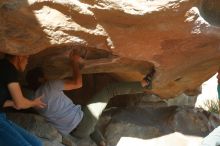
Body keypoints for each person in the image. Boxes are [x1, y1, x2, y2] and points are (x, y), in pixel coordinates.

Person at [26, 52, 155, 146]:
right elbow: (77, 83)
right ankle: (144, 84)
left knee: (87, 115)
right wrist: (74, 63)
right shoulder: (49, 86)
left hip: (76, 133)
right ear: (40, 79)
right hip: (82, 123)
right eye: (45, 76)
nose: (47, 77)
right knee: (109, 91)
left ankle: (101, 143)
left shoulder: (33, 102)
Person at [0, 54, 46, 146]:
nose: (27, 62)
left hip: (2, 116)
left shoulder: (4, 67)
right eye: (27, 58)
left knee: (37, 143)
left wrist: (12, 104)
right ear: (19, 57)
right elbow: (20, 103)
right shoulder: (8, 68)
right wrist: (33, 103)